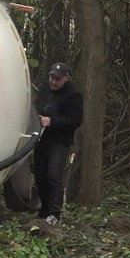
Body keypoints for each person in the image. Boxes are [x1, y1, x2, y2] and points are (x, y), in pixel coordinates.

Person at [33, 62, 83, 225]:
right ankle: (44, 210)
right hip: (41, 138)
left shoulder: (73, 95)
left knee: (54, 175)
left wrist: (52, 121)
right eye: (51, 77)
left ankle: (54, 213)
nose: (53, 82)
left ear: (66, 79)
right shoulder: (45, 89)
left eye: (57, 79)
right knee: (40, 175)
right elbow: (36, 106)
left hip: (59, 141)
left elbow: (75, 119)